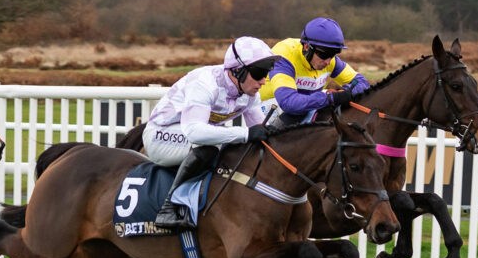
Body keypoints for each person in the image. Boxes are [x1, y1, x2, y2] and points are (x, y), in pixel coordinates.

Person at [144, 36, 279, 230]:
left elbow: (261, 132)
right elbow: (195, 132)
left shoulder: (249, 95)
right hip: (161, 135)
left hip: (188, 137)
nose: (263, 81)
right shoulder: (205, 84)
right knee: (212, 145)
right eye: (258, 74)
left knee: (238, 146)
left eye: (266, 73)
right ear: (237, 71)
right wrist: (245, 133)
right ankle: (168, 208)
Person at [259, 17, 370, 127]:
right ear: (307, 47)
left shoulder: (330, 61)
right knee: (309, 106)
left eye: (333, 54)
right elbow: (289, 103)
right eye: (324, 54)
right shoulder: (285, 56)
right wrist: (331, 98)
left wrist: (347, 92)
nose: (328, 61)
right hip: (267, 109)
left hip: (301, 106)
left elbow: (362, 82)